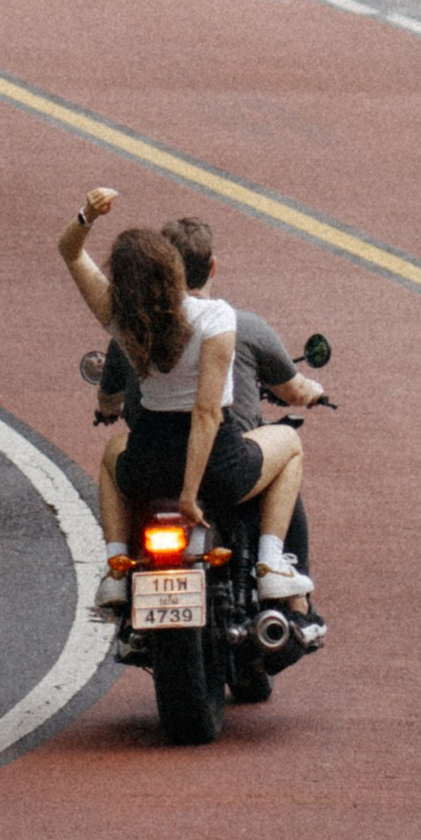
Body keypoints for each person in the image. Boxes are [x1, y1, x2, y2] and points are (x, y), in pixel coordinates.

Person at [58, 187, 312, 619]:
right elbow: (207, 413)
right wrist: (190, 496)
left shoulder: (122, 319)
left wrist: (87, 214)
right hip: (218, 466)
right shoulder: (216, 317)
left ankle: (117, 569)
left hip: (147, 463)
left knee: (110, 453)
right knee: (288, 441)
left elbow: (68, 251)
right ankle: (271, 562)